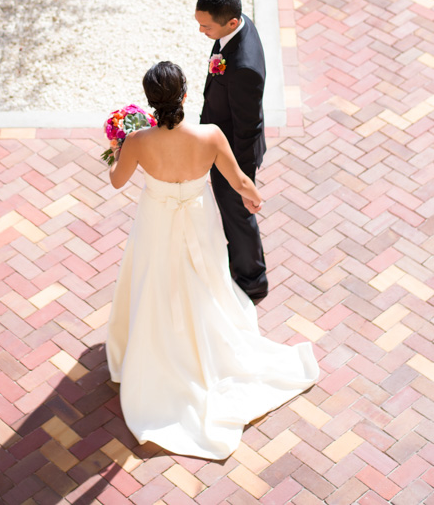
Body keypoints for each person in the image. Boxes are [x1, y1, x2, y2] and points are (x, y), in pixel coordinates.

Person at [106, 61, 318, 459]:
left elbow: (118, 180)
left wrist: (117, 149)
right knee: (204, 278)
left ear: (151, 104)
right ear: (185, 96)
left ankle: (157, 348)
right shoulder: (210, 135)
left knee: (156, 280)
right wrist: (252, 196)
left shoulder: (137, 141)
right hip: (198, 218)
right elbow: (238, 179)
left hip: (157, 221)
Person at [196, 0, 268, 303]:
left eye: (206, 26)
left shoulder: (244, 68)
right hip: (221, 131)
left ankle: (252, 279)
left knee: (238, 213)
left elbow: (247, 128)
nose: (201, 31)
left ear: (231, 22)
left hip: (234, 154)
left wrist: (240, 180)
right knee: (232, 213)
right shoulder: (235, 28)